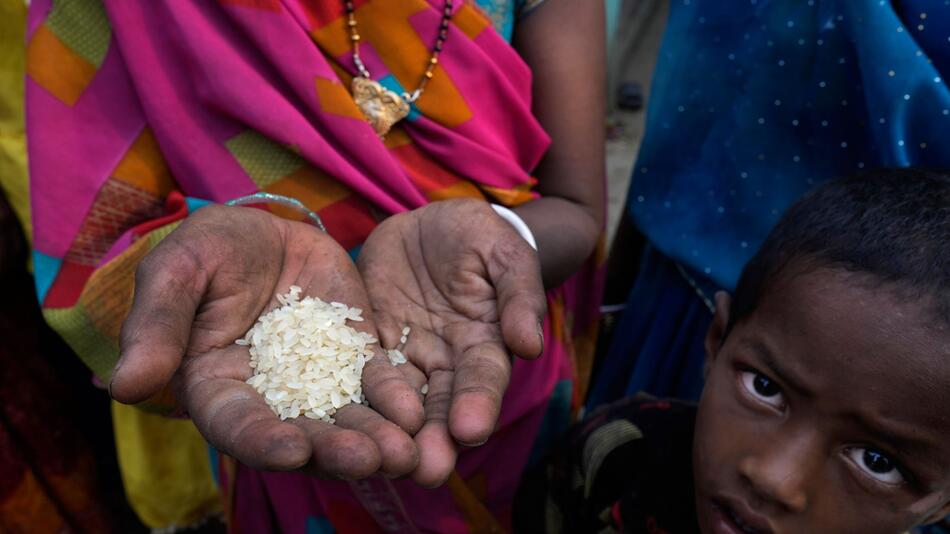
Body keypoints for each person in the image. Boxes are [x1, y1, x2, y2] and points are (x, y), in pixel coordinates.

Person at [25, 0, 605, 531]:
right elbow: (90, 236)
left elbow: (579, 207)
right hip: (258, 370)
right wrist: (206, 271)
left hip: (491, 352)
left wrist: (500, 240)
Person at [516, 169, 950, 533]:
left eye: (877, 462)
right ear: (717, 339)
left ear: (942, 503)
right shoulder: (613, 453)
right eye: (765, 388)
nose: (774, 479)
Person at [589, 0, 950, 407]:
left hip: (901, 343)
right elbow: (688, 110)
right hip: (686, 291)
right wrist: (614, 293)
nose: (775, 475)